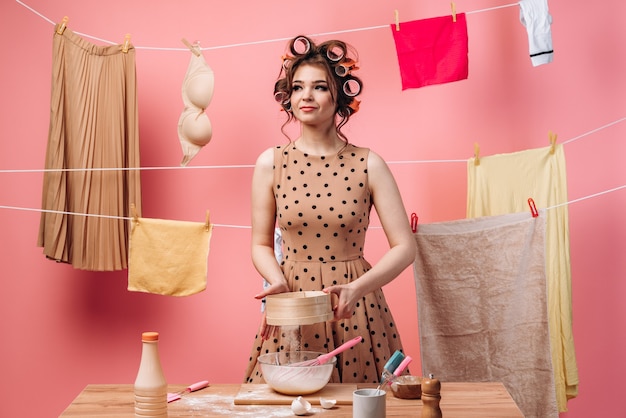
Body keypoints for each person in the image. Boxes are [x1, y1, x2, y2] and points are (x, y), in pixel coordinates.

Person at [243, 35, 416, 384]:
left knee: (363, 403)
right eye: (298, 88)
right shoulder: (270, 163)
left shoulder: (370, 164)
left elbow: (406, 247)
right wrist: (277, 280)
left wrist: (358, 288)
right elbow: (260, 244)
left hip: (355, 305)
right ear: (288, 97)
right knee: (287, 402)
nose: (306, 96)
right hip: (293, 303)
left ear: (339, 96)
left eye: (319, 87)